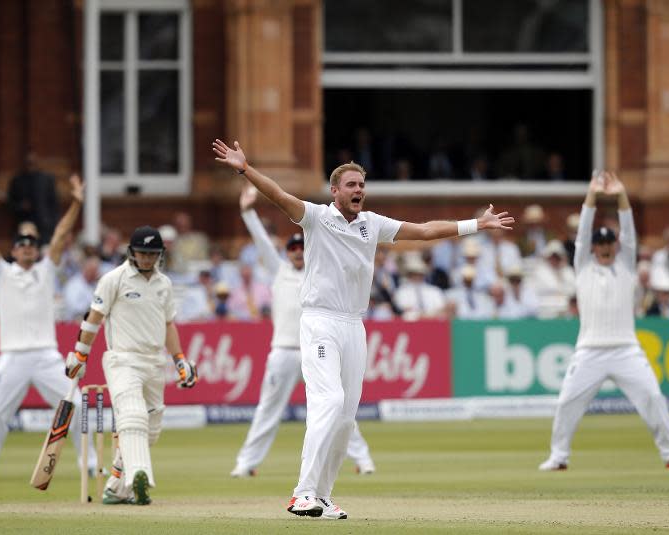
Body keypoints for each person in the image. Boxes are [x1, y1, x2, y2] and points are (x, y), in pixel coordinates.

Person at [213, 138, 513, 519]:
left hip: (354, 324)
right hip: (320, 320)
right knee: (329, 400)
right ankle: (301, 492)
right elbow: (277, 194)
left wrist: (476, 224)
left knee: (345, 415)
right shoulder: (316, 217)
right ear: (335, 191)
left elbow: (423, 231)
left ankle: (322, 495)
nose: (359, 191)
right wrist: (245, 168)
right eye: (351, 185)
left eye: (362, 185)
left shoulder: (373, 225)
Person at [539, 171, 669, 472]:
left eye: (610, 244)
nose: (606, 248)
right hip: (589, 351)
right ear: (594, 247)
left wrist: (620, 197)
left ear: (614, 246)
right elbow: (581, 234)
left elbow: (630, 234)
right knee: (567, 402)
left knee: (653, 397)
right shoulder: (582, 267)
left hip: (626, 350)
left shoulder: (626, 267)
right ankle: (558, 457)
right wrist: (592, 197)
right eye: (601, 244)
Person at [231, 185, 376, 480]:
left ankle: (363, 459)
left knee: (337, 406)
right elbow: (262, 243)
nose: (298, 253)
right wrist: (248, 212)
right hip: (284, 352)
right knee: (267, 412)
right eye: (292, 249)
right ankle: (246, 463)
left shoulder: (321, 271)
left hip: (319, 348)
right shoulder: (279, 270)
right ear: (287, 253)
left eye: (301, 248)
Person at [0, 176, 96, 480]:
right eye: (22, 246)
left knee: (74, 403)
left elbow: (60, 235)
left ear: (36, 250)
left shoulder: (46, 270)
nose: (27, 250)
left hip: (46, 355)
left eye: (32, 246)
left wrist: (76, 202)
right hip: (13, 356)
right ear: (15, 251)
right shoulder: (1, 273)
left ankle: (88, 460)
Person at [64, 226, 197, 505]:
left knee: (151, 429)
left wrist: (180, 359)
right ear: (131, 252)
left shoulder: (164, 285)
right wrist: (80, 353)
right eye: (142, 253)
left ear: (159, 255)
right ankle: (140, 477)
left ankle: (116, 487)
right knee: (133, 415)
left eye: (152, 254)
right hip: (122, 359)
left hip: (154, 362)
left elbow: (168, 324)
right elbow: (93, 318)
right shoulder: (114, 279)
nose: (147, 259)